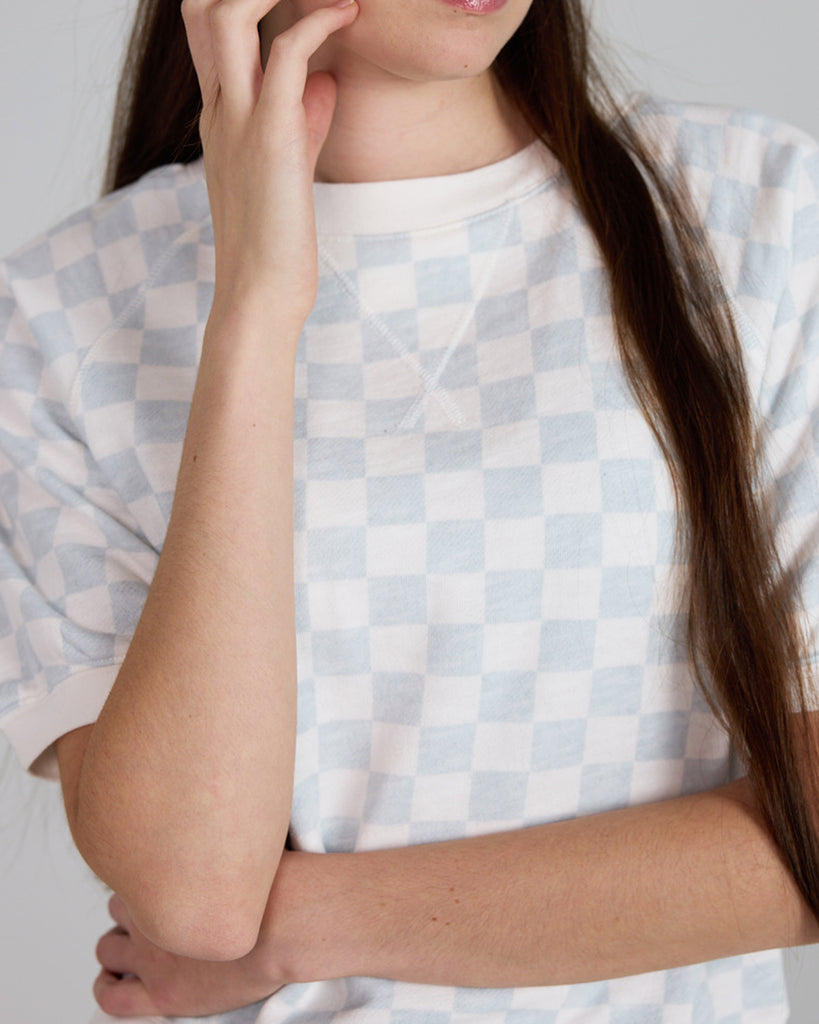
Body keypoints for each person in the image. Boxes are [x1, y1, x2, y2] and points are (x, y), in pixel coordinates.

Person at [1, 0, 819, 1021]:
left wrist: (308, 923)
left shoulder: (758, 215)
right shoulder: (57, 321)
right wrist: (255, 306)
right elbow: (197, 896)